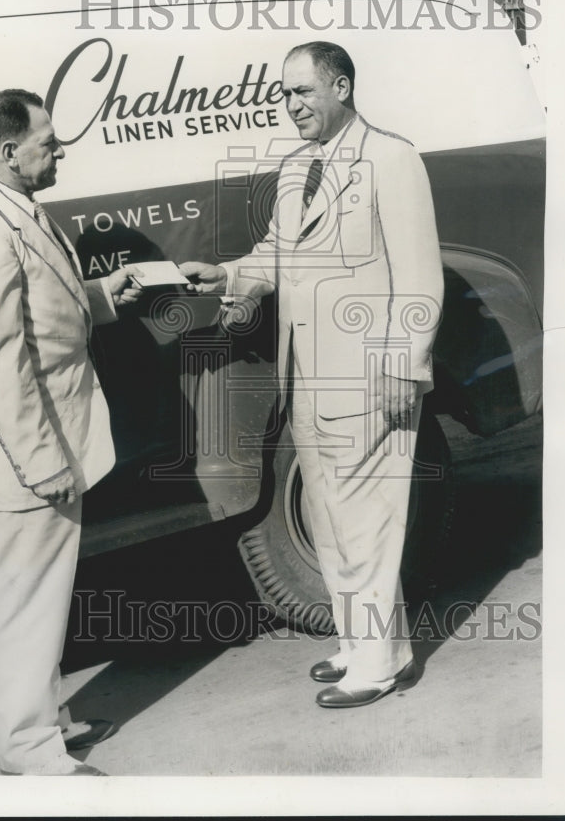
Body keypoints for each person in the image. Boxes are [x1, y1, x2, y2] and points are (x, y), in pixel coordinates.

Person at [180, 42, 444, 708]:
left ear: (343, 87)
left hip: (367, 377)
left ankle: (377, 667)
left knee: (367, 523)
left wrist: (403, 365)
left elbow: (420, 276)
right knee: (332, 520)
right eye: (284, 93)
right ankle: (370, 645)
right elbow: (277, 253)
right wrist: (230, 276)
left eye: (302, 92)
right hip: (307, 380)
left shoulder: (391, 160)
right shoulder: (298, 168)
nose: (290, 105)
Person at [0, 89, 142, 774]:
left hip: (54, 441)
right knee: (22, 605)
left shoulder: (17, 211)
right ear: (9, 152)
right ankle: (28, 752)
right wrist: (39, 462)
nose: (59, 150)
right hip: (29, 457)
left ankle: (46, 722)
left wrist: (107, 296)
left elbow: (43, 315)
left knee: (44, 597)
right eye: (48, 141)